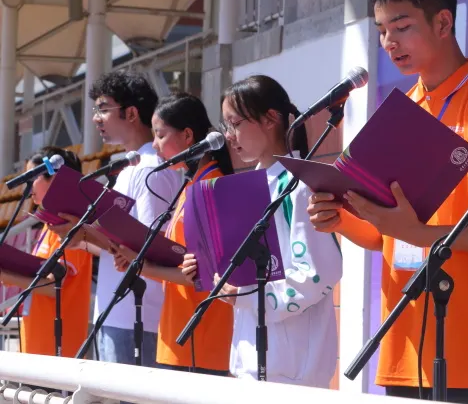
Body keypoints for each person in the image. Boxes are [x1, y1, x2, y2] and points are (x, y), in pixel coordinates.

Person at [308, 0, 468, 403]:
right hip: (404, 346)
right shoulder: (403, 109)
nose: (389, 42)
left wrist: (421, 234)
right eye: (382, 30)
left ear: (443, 22)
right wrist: (340, 219)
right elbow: (386, 235)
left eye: (402, 27)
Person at [186, 75, 341, 387]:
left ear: (271, 119)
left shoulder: (299, 185)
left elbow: (319, 274)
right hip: (250, 358)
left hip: (294, 369)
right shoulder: (249, 187)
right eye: (226, 125)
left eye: (235, 123)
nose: (228, 135)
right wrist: (207, 269)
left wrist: (244, 296)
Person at [64, 70, 183, 366]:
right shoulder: (129, 167)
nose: (96, 119)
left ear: (131, 113)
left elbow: (150, 245)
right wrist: (81, 238)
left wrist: (88, 231)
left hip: (138, 315)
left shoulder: (150, 168)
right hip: (116, 311)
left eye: (103, 109)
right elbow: (120, 247)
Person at [112, 93, 234, 375]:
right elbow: (183, 263)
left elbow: (202, 277)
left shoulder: (212, 187)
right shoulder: (191, 185)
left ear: (188, 135)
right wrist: (139, 259)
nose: (154, 145)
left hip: (200, 340)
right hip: (180, 334)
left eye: (160, 135)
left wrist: (141, 266)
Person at [0, 146, 92, 357]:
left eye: (32, 177)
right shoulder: (49, 224)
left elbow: (54, 287)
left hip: (58, 346)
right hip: (38, 340)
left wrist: (6, 276)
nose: (28, 185)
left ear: (56, 179)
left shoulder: (69, 224)